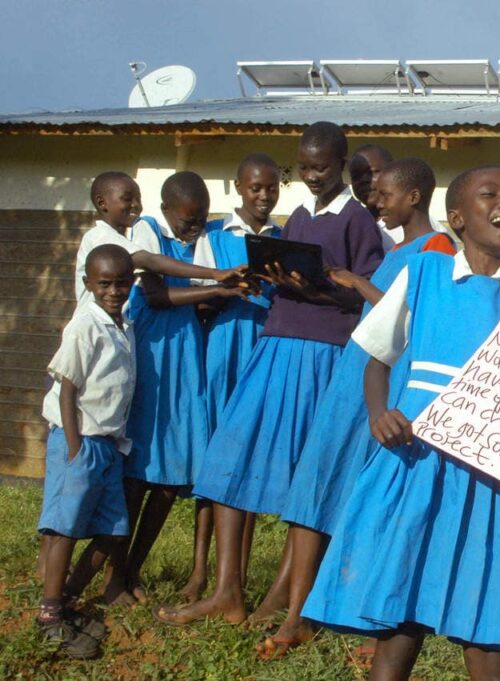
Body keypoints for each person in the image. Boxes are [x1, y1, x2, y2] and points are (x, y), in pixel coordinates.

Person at [301, 164, 500, 681]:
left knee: (485, 624)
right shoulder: (425, 274)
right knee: (400, 617)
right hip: (417, 466)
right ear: (457, 218)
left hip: (490, 482)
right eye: (491, 194)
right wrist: (378, 413)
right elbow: (377, 360)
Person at [154, 121, 384, 626]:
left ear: (340, 164)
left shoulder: (357, 221)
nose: (312, 176)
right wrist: (275, 277)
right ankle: (227, 593)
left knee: (304, 476)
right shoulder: (297, 216)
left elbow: (367, 297)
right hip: (275, 342)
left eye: (321, 168)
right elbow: (292, 281)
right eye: (303, 168)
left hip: (320, 352)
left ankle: (284, 598)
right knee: (228, 455)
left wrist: (318, 287)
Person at [254, 157, 457, 658]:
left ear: (413, 197)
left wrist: (357, 284)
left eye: (385, 195)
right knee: (314, 488)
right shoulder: (397, 248)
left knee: (372, 501)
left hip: (389, 387)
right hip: (352, 379)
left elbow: (419, 317)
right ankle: (300, 615)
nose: (376, 203)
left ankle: (369, 624)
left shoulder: (437, 249)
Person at [106, 171, 249, 606]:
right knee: (138, 472)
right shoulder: (147, 230)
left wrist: (225, 291)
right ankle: (114, 574)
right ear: (167, 209)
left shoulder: (203, 240)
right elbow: (155, 294)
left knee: (175, 470)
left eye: (201, 219)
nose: (194, 227)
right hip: (153, 354)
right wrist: (217, 284)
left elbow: (197, 297)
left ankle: (133, 569)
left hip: (186, 355)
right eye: (188, 220)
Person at [178, 153, 282, 604]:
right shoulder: (215, 235)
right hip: (225, 343)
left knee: (250, 459)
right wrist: (228, 289)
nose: (263, 196)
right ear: (238, 187)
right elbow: (199, 298)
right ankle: (200, 571)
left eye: (271, 188)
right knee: (216, 459)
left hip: (264, 346)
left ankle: (234, 577)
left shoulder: (281, 239)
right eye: (255, 187)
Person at [37, 244, 136, 658]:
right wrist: (75, 448)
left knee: (112, 530)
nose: (114, 291)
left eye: (122, 283)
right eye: (104, 284)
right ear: (88, 284)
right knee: (65, 527)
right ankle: (49, 616)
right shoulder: (84, 325)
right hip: (79, 439)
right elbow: (68, 388)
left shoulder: (124, 324)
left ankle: (68, 600)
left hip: (108, 444)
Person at [74, 171, 246, 309]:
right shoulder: (100, 236)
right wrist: (215, 274)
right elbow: (150, 262)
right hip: (96, 325)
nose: (136, 205)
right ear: (102, 203)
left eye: (138, 199)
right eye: (127, 199)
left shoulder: (124, 238)